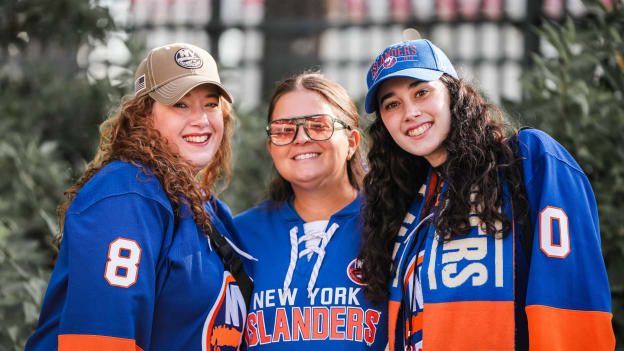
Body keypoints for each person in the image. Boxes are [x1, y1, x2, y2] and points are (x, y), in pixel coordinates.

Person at [358, 39, 615, 351]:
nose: (410, 112)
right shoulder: (409, 201)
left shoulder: (526, 159)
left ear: (452, 93)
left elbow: (572, 298)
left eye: (421, 92)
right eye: (392, 104)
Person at [25, 43, 253, 351]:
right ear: (144, 116)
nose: (201, 119)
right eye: (181, 105)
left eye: (210, 104)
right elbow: (98, 343)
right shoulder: (125, 197)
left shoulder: (208, 208)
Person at [231, 71, 388, 350]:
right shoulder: (240, 235)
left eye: (318, 125)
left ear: (351, 142)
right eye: (284, 130)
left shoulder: (393, 225)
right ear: (272, 148)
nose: (300, 138)